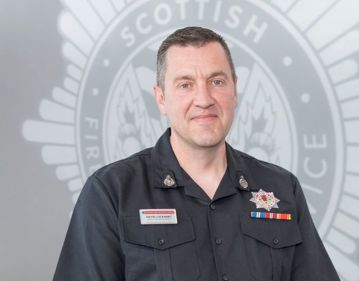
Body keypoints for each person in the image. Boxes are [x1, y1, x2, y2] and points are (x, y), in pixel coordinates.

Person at [53, 26, 340, 281]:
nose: (203, 99)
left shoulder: (281, 188)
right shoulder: (111, 192)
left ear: (234, 90)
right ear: (161, 98)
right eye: (185, 85)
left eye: (216, 81)